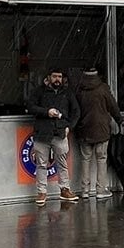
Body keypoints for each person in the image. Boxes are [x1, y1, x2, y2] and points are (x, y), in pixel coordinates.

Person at [71, 66, 121, 201]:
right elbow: (113, 106)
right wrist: (119, 119)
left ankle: (85, 190)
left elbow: (74, 109)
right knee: (101, 159)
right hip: (101, 129)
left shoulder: (79, 89)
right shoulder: (103, 88)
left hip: (84, 129)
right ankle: (100, 189)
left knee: (85, 159)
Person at [28, 68, 77, 204]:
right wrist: (46, 112)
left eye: (60, 77)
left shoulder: (67, 93)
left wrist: (69, 127)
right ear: (48, 77)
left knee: (62, 163)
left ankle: (65, 189)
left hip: (60, 133)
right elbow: (30, 107)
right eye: (54, 76)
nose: (57, 79)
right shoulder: (39, 91)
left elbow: (76, 111)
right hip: (42, 133)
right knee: (41, 164)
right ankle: (42, 192)